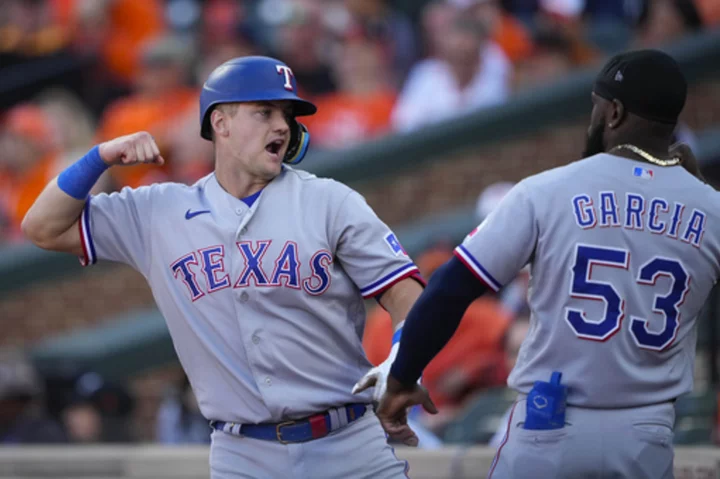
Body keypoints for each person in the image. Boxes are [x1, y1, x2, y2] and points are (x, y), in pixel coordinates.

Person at [21, 55, 424, 479]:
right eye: (264, 112)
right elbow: (42, 227)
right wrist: (99, 157)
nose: (282, 126)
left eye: (287, 115)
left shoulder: (329, 201)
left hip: (347, 444)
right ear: (221, 123)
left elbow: (406, 294)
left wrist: (402, 364)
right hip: (242, 454)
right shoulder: (159, 212)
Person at [374, 49, 718, 479]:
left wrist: (403, 378)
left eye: (596, 107)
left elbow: (449, 289)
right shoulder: (712, 208)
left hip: (549, 425)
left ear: (613, 112)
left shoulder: (546, 191)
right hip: (644, 435)